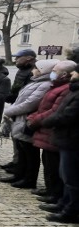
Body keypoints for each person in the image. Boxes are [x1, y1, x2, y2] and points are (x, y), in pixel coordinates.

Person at [1, 59, 56, 189]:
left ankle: (29, 179)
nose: (32, 71)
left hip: (27, 120)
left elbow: (30, 103)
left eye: (35, 68)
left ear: (42, 70)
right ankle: (19, 175)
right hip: (20, 119)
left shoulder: (45, 85)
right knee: (21, 150)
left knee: (30, 152)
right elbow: (20, 99)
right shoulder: (36, 82)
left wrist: (9, 111)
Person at [26, 61, 76, 204]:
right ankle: (52, 191)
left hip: (53, 130)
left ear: (65, 73)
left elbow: (56, 111)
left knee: (56, 167)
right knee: (49, 163)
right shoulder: (56, 86)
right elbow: (42, 106)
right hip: (47, 129)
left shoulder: (65, 89)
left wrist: (37, 120)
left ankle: (56, 194)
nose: (52, 72)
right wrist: (33, 117)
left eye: (55, 70)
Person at [36, 65, 79, 223]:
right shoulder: (73, 90)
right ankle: (64, 203)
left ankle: (71, 211)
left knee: (72, 178)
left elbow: (67, 115)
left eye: (76, 71)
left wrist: (46, 121)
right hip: (65, 138)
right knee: (66, 176)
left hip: (72, 139)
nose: (73, 74)